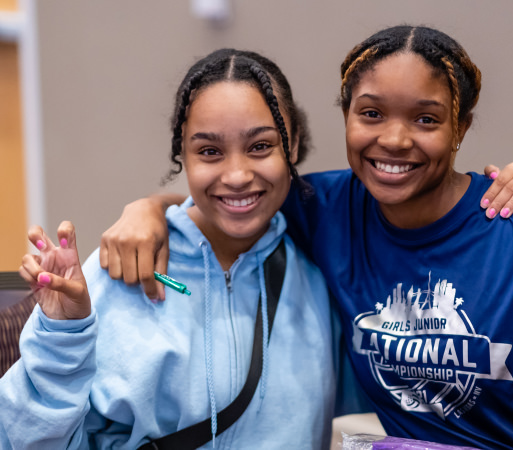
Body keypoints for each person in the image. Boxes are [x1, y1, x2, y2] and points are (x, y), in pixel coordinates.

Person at [99, 25, 513, 449]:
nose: (393, 140)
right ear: (345, 116)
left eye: (425, 119)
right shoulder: (327, 208)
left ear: (461, 126)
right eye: (371, 113)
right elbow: (235, 192)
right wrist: (146, 208)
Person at [0, 49, 340, 449]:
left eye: (260, 146)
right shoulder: (122, 268)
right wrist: (61, 336)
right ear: (184, 154)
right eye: (209, 151)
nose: (236, 175)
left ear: (293, 144)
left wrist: (154, 203)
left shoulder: (319, 274)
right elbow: (21, 441)